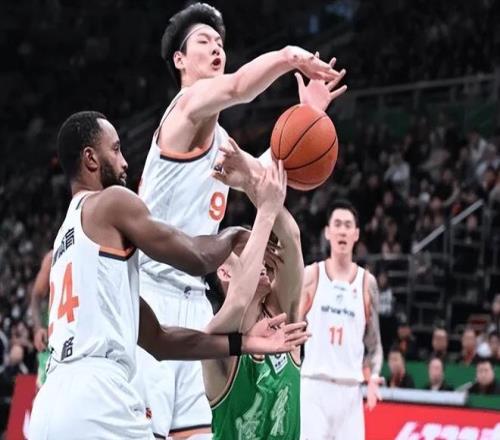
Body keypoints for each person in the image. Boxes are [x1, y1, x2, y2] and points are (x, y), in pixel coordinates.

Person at [28, 111, 308, 440]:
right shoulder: (110, 201)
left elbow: (159, 341)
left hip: (50, 402)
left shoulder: (69, 241)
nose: (124, 162)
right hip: (97, 394)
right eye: (115, 149)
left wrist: (244, 343)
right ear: (90, 158)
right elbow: (196, 258)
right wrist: (233, 234)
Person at [137, 3, 346, 437]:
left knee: (198, 433)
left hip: (197, 305)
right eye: (204, 41)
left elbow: (270, 175)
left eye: (220, 42)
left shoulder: (222, 142)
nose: (217, 48)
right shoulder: (184, 108)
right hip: (151, 295)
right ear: (180, 59)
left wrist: (310, 115)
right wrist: (289, 56)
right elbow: (238, 87)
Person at [202, 144, 304, 439]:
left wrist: (249, 180)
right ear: (224, 272)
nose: (262, 256)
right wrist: (266, 211)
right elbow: (238, 301)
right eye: (249, 251)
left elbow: (291, 237)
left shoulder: (283, 318)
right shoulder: (215, 339)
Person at [299, 200, 383, 440]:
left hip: (350, 391)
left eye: (348, 225)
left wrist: (373, 377)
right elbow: (292, 329)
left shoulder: (368, 283)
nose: (342, 230)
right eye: (337, 224)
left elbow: (374, 344)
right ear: (327, 232)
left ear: (356, 234)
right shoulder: (311, 275)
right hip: (314, 386)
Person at [30, 250, 53, 387]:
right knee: (45, 391)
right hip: (52, 336)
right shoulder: (53, 257)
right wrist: (38, 328)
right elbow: (36, 294)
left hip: (83, 336)